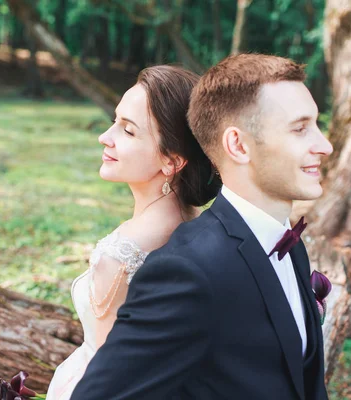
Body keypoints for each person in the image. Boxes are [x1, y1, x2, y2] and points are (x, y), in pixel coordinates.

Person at [70, 53, 333, 400]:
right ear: (237, 145)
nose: (324, 146)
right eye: (300, 128)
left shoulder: (291, 246)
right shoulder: (188, 271)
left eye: (316, 124)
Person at [45, 65, 221, 400]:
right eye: (115, 120)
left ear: (172, 160)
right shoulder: (194, 222)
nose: (105, 137)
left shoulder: (122, 255)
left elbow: (115, 376)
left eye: (128, 131)